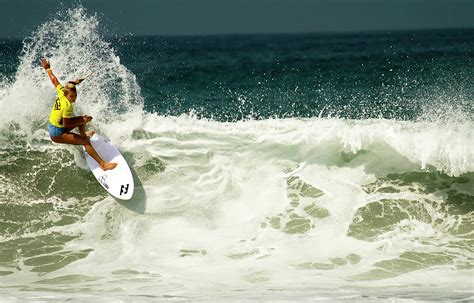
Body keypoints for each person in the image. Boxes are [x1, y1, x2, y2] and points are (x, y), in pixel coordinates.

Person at [41, 58, 117, 171]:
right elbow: (66, 124)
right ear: (67, 95)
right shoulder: (67, 106)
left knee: (81, 121)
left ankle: (84, 136)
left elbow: (55, 81)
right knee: (85, 137)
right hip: (57, 133)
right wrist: (83, 120)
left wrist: (48, 68)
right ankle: (103, 164)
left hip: (54, 125)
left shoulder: (62, 92)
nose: (74, 98)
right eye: (72, 96)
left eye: (75, 95)